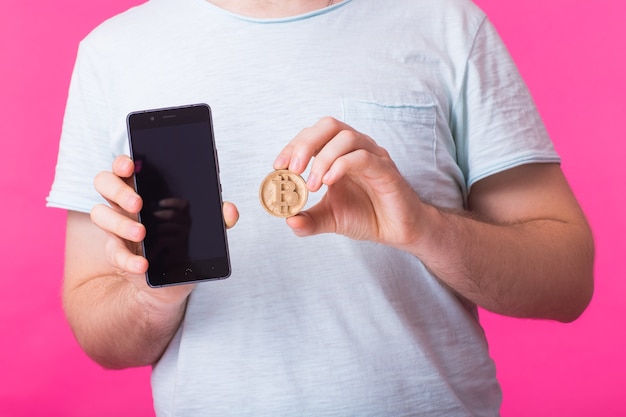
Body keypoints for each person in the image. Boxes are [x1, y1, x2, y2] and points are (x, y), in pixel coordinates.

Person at [47, 0, 594, 415]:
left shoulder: (447, 23)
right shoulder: (114, 51)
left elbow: (567, 281)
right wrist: (157, 290)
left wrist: (425, 227)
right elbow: (99, 332)